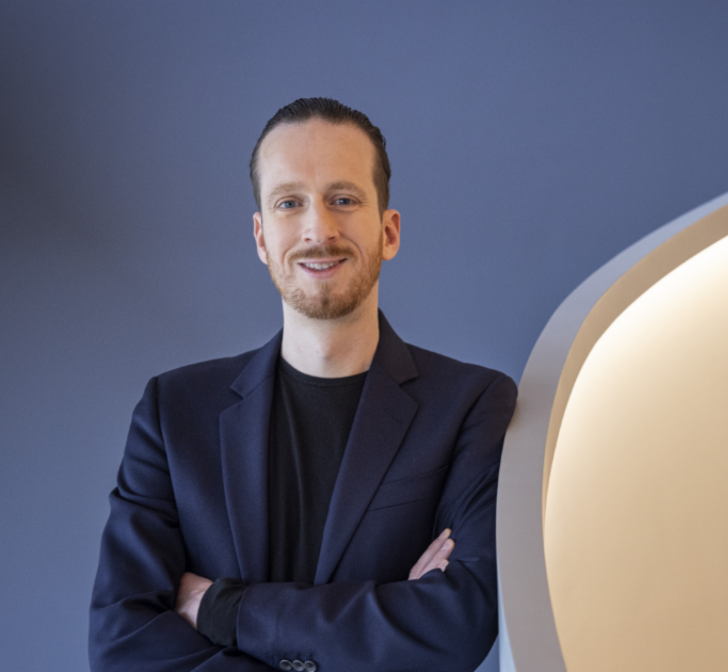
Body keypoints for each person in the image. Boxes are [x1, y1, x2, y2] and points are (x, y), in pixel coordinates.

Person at [89, 97, 516, 672]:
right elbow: (122, 646)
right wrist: (382, 625)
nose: (319, 228)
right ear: (262, 237)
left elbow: (456, 626)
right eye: (291, 203)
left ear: (388, 231)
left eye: (343, 199)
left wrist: (223, 610)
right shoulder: (173, 412)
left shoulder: (471, 405)